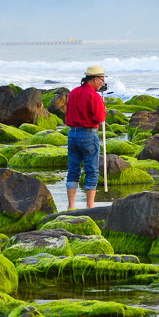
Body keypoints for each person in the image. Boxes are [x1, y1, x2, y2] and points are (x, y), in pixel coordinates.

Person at [65, 65, 108, 209]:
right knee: (91, 170)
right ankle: (90, 206)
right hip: (88, 134)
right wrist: (103, 108)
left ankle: (71, 206)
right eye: (102, 80)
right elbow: (99, 118)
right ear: (95, 79)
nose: (102, 83)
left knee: (73, 169)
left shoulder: (74, 92)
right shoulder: (94, 95)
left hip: (72, 133)